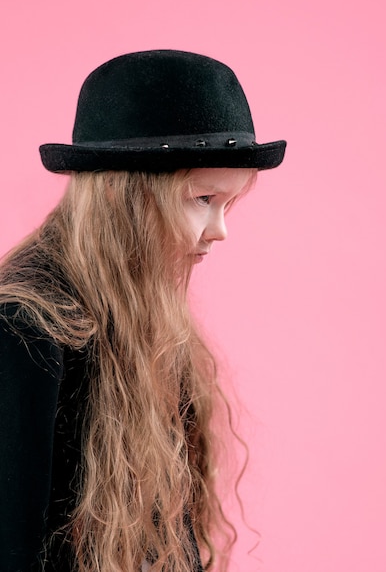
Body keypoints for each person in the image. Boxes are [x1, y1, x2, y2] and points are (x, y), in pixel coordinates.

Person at [0, 50, 286, 572]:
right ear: (125, 195)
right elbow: (10, 540)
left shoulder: (141, 310)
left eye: (228, 203)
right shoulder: (25, 324)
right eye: (202, 198)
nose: (221, 229)